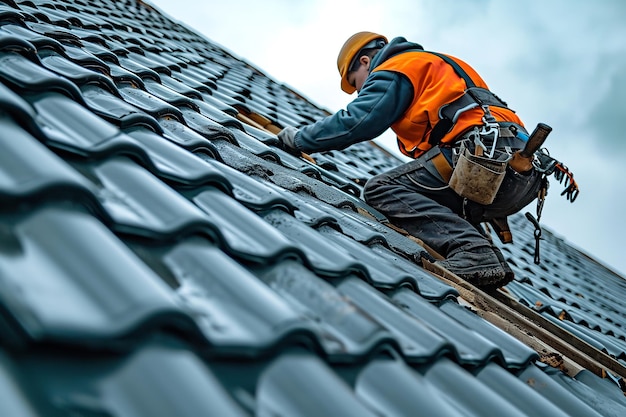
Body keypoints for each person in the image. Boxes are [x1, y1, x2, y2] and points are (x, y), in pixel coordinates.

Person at [277, 32, 544, 288]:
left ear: (365, 61)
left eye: (357, 83)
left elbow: (358, 121)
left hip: (482, 162)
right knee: (432, 194)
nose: (361, 92)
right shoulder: (437, 65)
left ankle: (473, 252)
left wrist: (299, 139)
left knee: (382, 188)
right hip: (522, 176)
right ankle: (489, 260)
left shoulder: (398, 67)